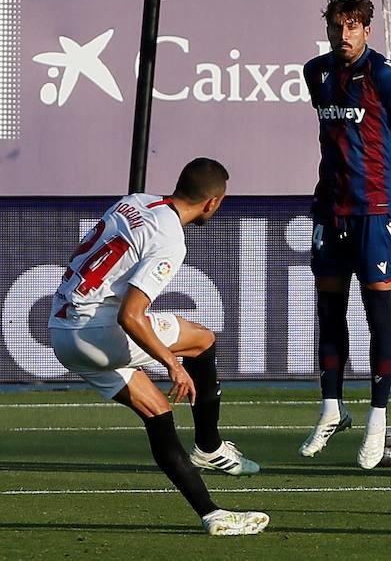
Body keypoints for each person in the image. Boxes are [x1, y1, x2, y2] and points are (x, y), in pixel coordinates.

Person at [47, 158, 269, 536]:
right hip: (97, 330)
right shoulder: (170, 240)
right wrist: (172, 363)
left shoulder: (133, 201)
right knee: (201, 341)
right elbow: (131, 316)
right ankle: (210, 446)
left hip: (61, 330)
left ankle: (213, 515)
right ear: (212, 203)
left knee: (158, 412)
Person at [299, 0, 391, 468]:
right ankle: (331, 407)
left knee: (378, 313)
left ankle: (378, 418)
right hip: (330, 208)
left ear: (367, 28)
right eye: (336, 25)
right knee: (329, 309)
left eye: (352, 26)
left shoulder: (386, 77)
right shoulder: (316, 72)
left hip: (374, 208)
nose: (343, 34)